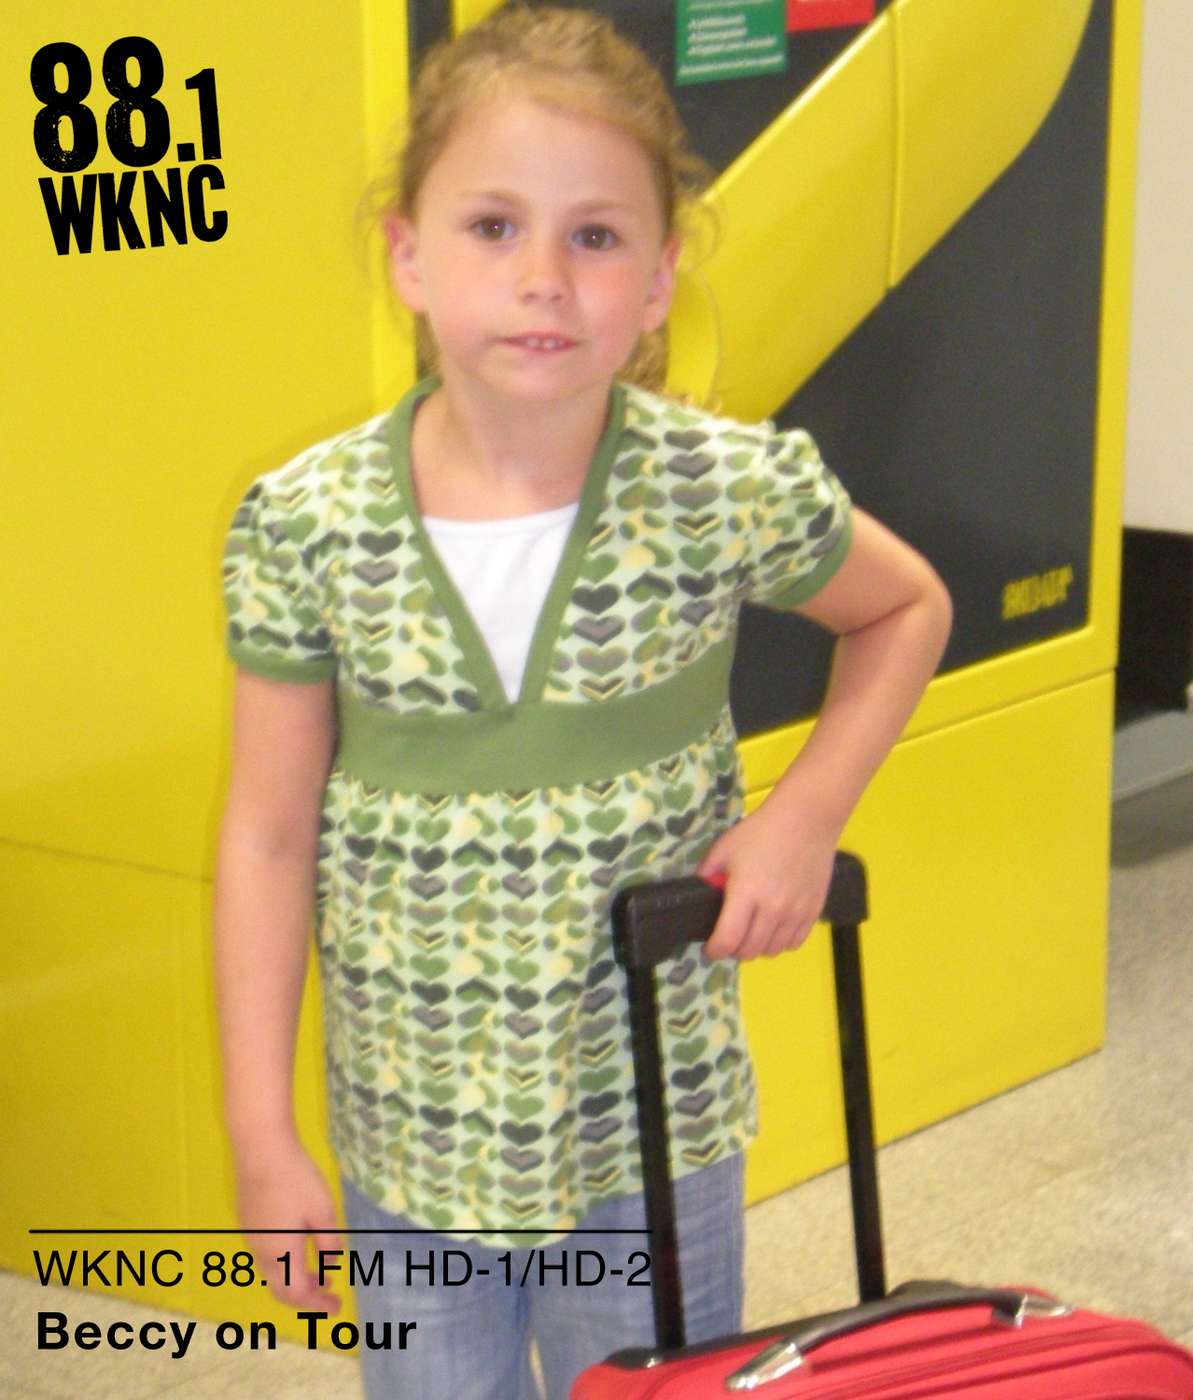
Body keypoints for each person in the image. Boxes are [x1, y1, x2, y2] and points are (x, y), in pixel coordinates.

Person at [214, 6, 952, 1397]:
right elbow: (264, 834)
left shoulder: (720, 489)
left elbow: (905, 606)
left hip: (651, 1128)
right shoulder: (304, 524)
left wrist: (802, 818)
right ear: (408, 255)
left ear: (661, 280)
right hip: (413, 1137)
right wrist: (264, 1130)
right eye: (494, 226)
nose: (543, 279)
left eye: (596, 236)